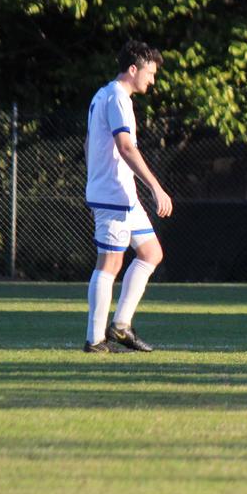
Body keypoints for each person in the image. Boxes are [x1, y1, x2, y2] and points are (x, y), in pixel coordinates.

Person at [83, 40, 173, 353]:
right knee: (110, 263)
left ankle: (121, 327)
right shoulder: (117, 97)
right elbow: (125, 146)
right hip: (113, 195)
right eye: (150, 72)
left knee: (151, 253)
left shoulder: (105, 94)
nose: (152, 79)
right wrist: (156, 186)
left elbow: (90, 143)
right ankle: (94, 339)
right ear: (132, 69)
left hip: (122, 194)